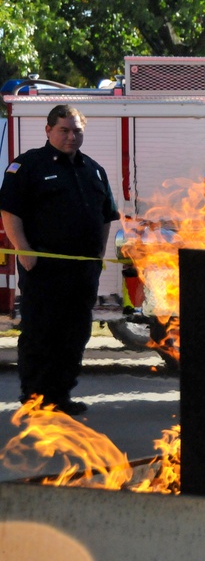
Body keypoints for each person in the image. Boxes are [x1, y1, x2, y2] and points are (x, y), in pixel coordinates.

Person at [0, 105, 120, 415]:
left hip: (82, 271)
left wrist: (97, 256)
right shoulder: (27, 166)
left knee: (75, 333)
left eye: (77, 130)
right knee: (42, 333)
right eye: (64, 130)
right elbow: (10, 211)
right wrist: (24, 251)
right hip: (44, 269)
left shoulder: (93, 169)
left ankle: (60, 396)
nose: (71, 136)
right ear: (49, 130)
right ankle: (36, 399)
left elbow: (106, 215)